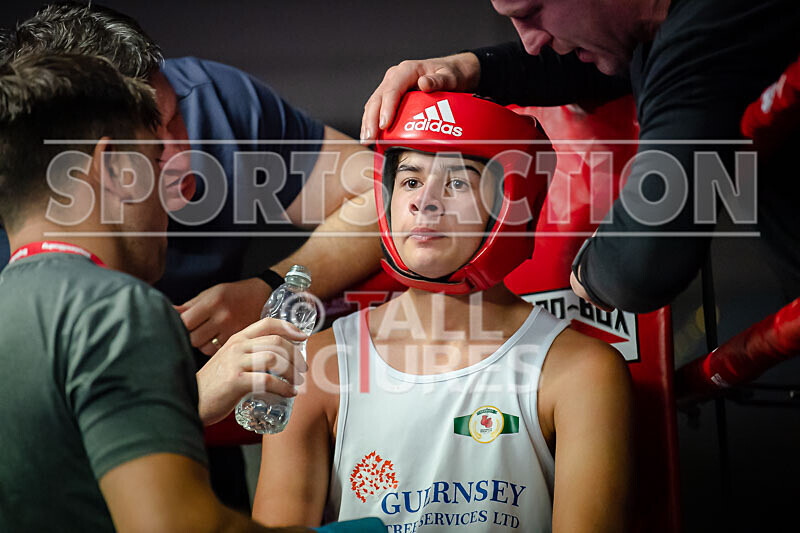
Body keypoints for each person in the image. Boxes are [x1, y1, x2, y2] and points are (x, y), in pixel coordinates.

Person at [0, 0, 383, 507]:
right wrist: (185, 401)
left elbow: (388, 197)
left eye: (175, 119)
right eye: (149, 145)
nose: (178, 156)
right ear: (97, 162)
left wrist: (271, 288)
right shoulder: (95, 311)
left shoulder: (216, 102)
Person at [251, 91, 633, 532]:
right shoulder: (316, 366)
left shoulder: (580, 373)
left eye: (457, 182)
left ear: (510, 204)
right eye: (410, 181)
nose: (424, 202)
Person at [359, 0, 800, 314]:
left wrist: (588, 273)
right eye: (411, 181)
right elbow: (588, 64)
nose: (530, 41)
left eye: (532, 12)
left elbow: (639, 265)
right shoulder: (664, 36)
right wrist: (467, 66)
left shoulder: (705, 36)